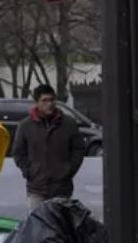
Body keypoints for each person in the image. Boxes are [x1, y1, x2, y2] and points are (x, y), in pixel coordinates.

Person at [12, 84, 85, 212]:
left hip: (62, 189)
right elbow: (18, 153)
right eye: (44, 100)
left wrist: (69, 170)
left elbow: (78, 149)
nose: (49, 104)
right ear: (37, 103)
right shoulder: (25, 126)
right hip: (36, 189)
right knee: (39, 227)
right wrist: (28, 171)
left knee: (60, 228)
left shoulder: (68, 123)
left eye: (51, 100)